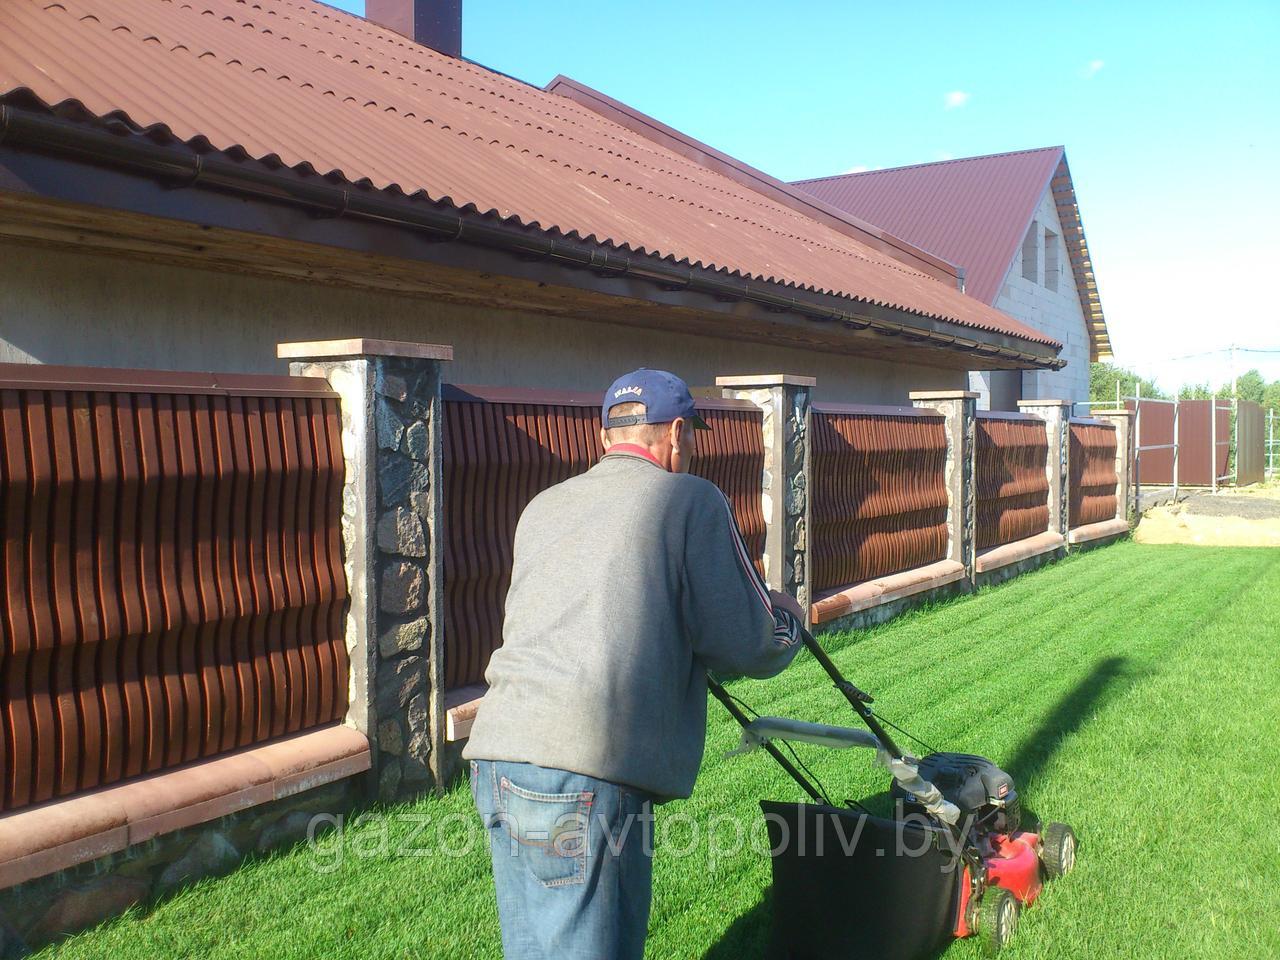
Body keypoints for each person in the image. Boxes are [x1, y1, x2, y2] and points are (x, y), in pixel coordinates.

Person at [464, 368, 805, 960]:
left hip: (499, 755)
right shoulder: (689, 498)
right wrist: (789, 620)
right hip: (586, 771)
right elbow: (747, 644)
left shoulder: (543, 506)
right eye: (691, 437)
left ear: (605, 437)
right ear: (676, 434)